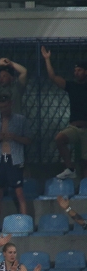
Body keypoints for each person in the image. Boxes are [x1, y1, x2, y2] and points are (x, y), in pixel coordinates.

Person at [42, 47, 87, 180]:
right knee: (59, 139)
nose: (76, 73)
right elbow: (53, 77)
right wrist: (47, 59)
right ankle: (70, 168)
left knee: (85, 163)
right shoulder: (72, 86)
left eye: (79, 70)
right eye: (75, 70)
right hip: (74, 127)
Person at [0, 95, 30, 219]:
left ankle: (25, 220)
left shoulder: (20, 120)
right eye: (1, 107)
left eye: (5, 106)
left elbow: (28, 140)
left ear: (10, 104)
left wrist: (14, 137)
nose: (3, 109)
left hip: (15, 158)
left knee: (19, 192)